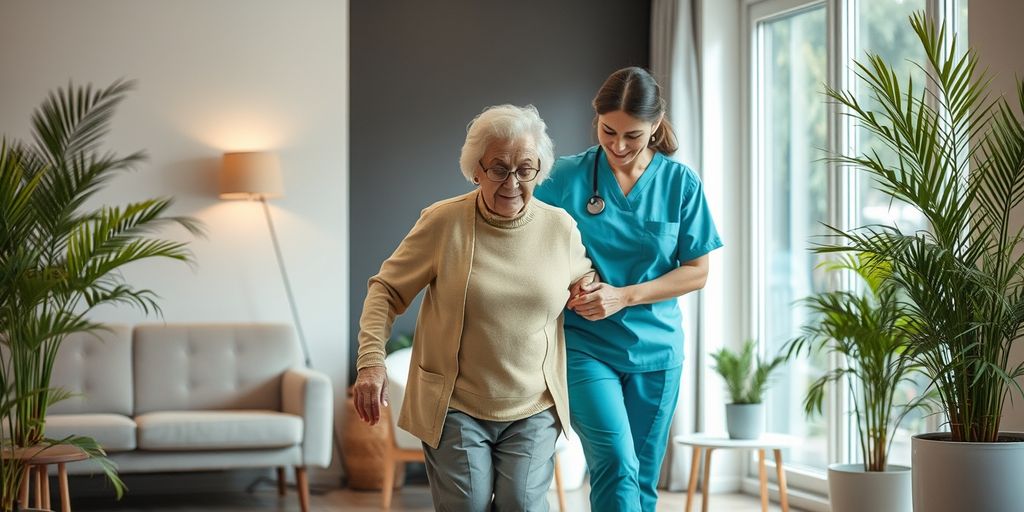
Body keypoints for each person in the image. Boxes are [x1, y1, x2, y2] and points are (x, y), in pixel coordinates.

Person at [352, 104, 596, 512]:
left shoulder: (560, 228)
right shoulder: (443, 223)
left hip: (533, 404)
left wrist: (589, 288)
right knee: (467, 506)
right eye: (499, 168)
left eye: (525, 169)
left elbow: (582, 276)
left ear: (539, 171)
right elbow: (386, 290)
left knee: (522, 504)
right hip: (455, 405)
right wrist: (371, 363)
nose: (512, 182)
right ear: (476, 170)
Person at [534, 66, 723, 512]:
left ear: (656, 126)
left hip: (656, 352)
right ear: (596, 120)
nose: (618, 146)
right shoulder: (563, 178)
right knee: (616, 464)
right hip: (586, 345)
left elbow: (697, 271)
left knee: (641, 477)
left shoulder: (681, 184)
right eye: (608, 131)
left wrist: (624, 295)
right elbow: (529, 246)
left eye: (633, 136)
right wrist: (574, 277)